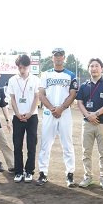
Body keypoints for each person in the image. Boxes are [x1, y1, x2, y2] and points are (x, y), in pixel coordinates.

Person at [36, 48, 78, 187]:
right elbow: (41, 94)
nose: (58, 58)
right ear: (51, 58)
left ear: (64, 57)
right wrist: (52, 108)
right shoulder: (46, 74)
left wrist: (61, 108)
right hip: (50, 112)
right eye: (56, 56)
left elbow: (72, 94)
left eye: (60, 55)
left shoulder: (71, 75)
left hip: (64, 112)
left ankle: (70, 174)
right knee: (45, 144)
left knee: (67, 144)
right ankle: (43, 173)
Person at [76, 58, 103, 189]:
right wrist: (88, 115)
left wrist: (96, 114)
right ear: (88, 69)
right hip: (87, 123)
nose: (94, 68)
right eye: (92, 66)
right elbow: (79, 102)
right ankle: (88, 177)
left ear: (101, 69)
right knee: (86, 152)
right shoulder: (84, 86)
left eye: (97, 66)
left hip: (102, 123)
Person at [7, 55, 40, 183]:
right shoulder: (12, 80)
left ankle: (29, 171)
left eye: (24, 67)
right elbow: (13, 98)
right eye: (20, 67)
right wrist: (17, 113)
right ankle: (19, 171)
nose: (22, 70)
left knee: (31, 145)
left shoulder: (35, 79)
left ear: (29, 66)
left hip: (32, 117)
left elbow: (37, 97)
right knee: (17, 145)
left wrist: (30, 113)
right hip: (17, 117)